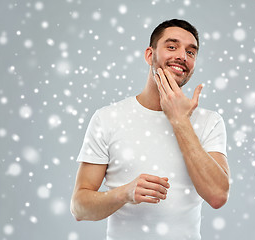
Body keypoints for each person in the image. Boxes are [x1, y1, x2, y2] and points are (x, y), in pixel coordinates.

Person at [70, 19, 231, 240]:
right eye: (172, 47)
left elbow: (218, 196)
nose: (182, 56)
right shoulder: (108, 118)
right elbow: (79, 208)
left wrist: (180, 121)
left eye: (191, 52)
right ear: (149, 55)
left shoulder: (209, 122)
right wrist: (124, 193)